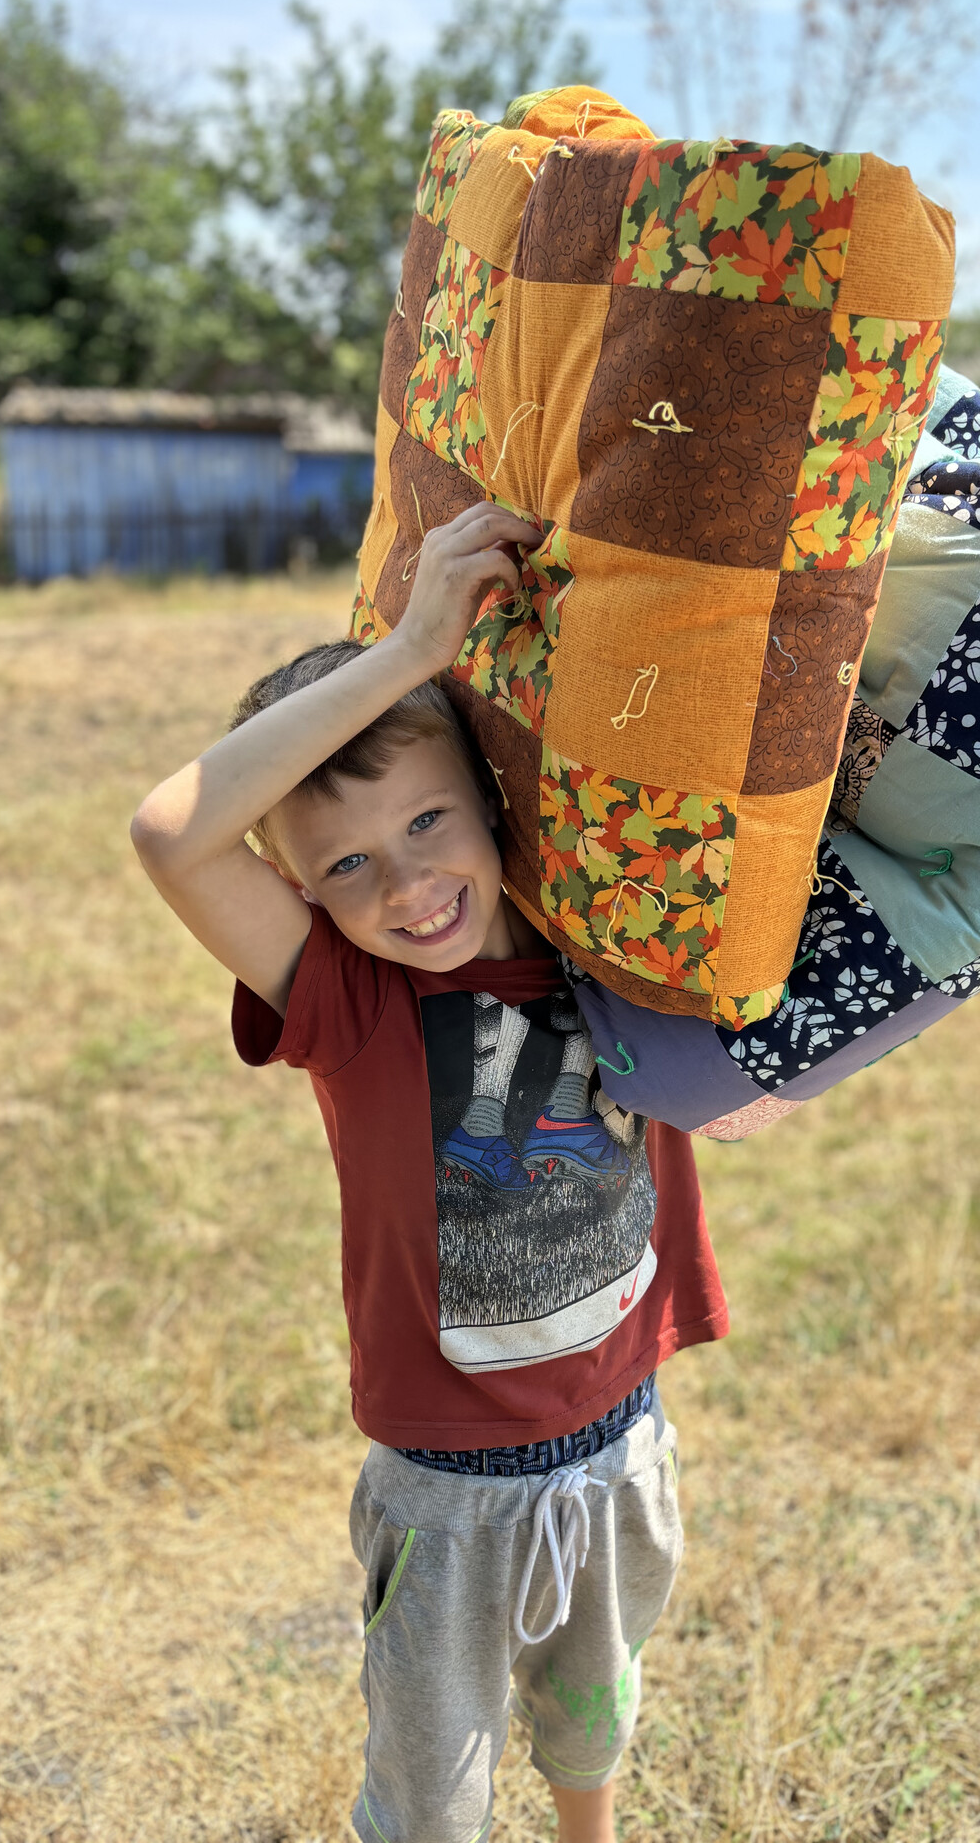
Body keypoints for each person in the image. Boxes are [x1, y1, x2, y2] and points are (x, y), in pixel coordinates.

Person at [130, 502, 729, 1843]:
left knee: (594, 1714)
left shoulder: (605, 936)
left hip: (620, 1432)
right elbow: (172, 835)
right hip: (450, 1484)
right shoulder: (347, 1000)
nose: (403, 885)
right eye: (344, 865)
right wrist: (408, 651)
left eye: (426, 823)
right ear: (297, 888)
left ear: (493, 798)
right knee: (434, 1793)